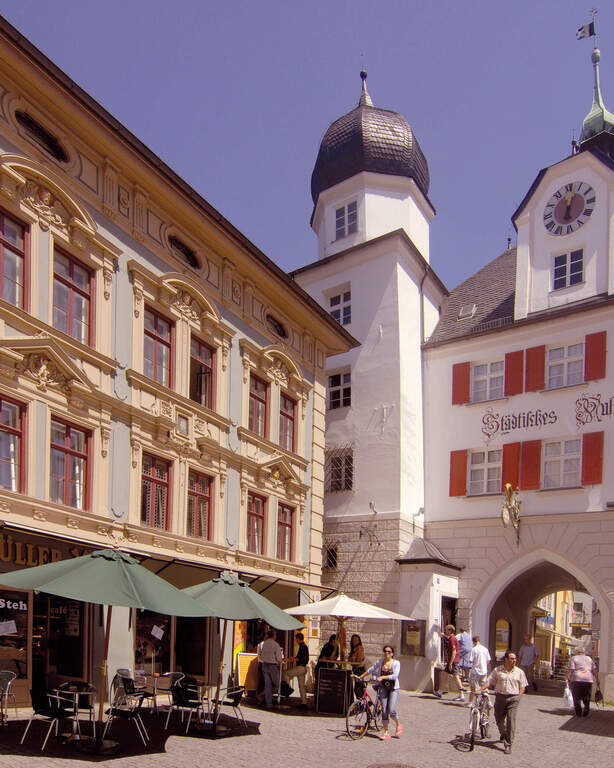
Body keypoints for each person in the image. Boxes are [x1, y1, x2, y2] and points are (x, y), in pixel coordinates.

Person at [481, 650, 527, 755]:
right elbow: (489, 681)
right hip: (500, 697)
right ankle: (503, 733)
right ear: (505, 659)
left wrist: (519, 697)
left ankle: (508, 744)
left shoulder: (519, 672)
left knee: (511, 721)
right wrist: (481, 689)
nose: (514, 660)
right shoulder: (498, 670)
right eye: (511, 658)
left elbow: (523, 686)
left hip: (513, 699)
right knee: (499, 720)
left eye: (515, 659)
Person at [355, 644, 402, 740]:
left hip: (393, 688)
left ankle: (398, 724)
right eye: (385, 651)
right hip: (383, 687)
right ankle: (386, 732)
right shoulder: (380, 662)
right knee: (384, 710)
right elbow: (371, 669)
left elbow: (395, 676)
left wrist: (382, 677)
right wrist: (360, 677)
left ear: (392, 653)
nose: (386, 653)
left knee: (392, 710)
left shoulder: (396, 663)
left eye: (389, 651)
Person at [434, 624, 465, 701]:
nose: (445, 631)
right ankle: (440, 691)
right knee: (444, 675)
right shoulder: (452, 638)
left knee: (456, 677)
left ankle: (462, 694)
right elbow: (448, 639)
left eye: (447, 630)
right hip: (452, 661)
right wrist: (444, 635)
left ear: (450, 631)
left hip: (453, 661)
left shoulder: (452, 639)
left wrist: (450, 663)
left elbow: (454, 651)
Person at [567, 646, 597, 717]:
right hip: (588, 679)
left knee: (576, 696)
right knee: (586, 695)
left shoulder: (574, 658)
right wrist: (597, 679)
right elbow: (594, 670)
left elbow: (572, 669)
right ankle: (586, 707)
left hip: (577, 679)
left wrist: (567, 677)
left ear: (576, 652)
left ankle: (578, 711)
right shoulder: (589, 658)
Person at [257, 629, 283, 708]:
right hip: (272, 666)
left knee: (268, 685)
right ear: (273, 636)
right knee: (277, 684)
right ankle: (262, 695)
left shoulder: (264, 644)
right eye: (275, 635)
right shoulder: (275, 645)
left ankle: (269, 704)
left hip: (264, 665)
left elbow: (261, 655)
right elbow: (279, 658)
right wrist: (280, 661)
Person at [283, 631, 309, 708]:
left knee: (285, 673)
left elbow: (298, 659)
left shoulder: (302, 646)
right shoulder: (304, 646)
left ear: (298, 639)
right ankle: (304, 703)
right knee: (302, 686)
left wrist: (290, 659)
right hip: (304, 668)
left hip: (300, 667)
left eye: (296, 639)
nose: (296, 641)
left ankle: (288, 689)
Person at [467, 635, 491, 709]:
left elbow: (471, 660)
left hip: (475, 671)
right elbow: (488, 660)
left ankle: (470, 702)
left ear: (474, 642)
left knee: (473, 687)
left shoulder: (474, 649)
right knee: (484, 687)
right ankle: (489, 702)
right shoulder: (485, 649)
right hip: (484, 671)